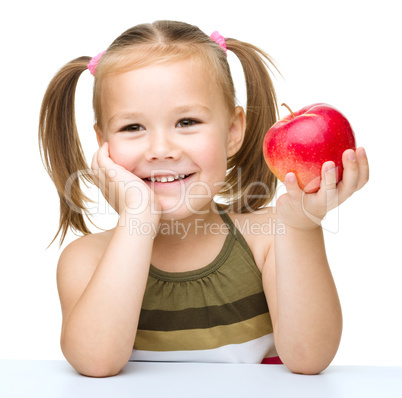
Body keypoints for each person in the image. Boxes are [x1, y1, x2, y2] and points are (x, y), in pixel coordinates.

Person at [38, 20, 369, 378]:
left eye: (187, 121)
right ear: (103, 144)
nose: (161, 150)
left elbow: (310, 358)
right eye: (132, 127)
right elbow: (95, 362)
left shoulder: (270, 239)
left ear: (232, 132)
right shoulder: (86, 260)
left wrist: (302, 228)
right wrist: (138, 217)